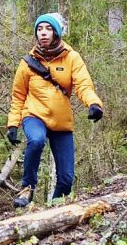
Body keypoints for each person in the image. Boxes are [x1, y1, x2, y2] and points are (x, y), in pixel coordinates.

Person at [6, 13, 104, 207]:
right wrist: (13, 124)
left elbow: (83, 85)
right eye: (40, 29)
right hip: (34, 115)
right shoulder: (27, 63)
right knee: (36, 140)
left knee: (67, 179)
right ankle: (27, 189)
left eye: (48, 29)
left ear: (57, 33)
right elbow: (18, 96)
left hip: (61, 121)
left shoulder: (71, 58)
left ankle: (54, 207)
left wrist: (94, 104)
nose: (43, 33)